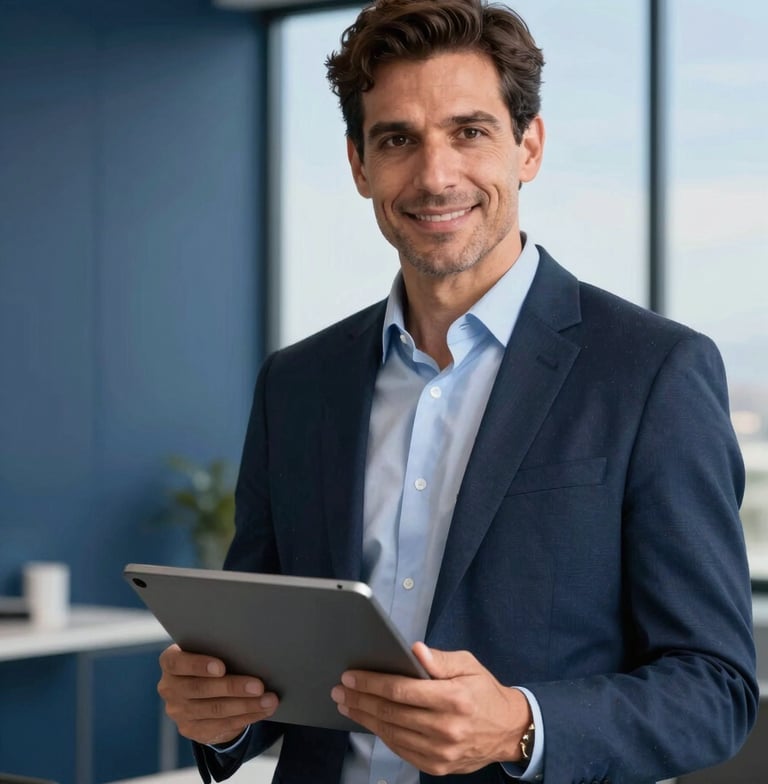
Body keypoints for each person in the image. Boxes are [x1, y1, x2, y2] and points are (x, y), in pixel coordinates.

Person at [156, 1, 758, 782]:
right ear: (359, 164)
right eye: (398, 139)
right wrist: (219, 711)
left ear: (528, 146)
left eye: (469, 131)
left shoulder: (651, 373)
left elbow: (715, 690)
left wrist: (521, 726)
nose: (436, 175)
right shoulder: (296, 385)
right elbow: (257, 650)